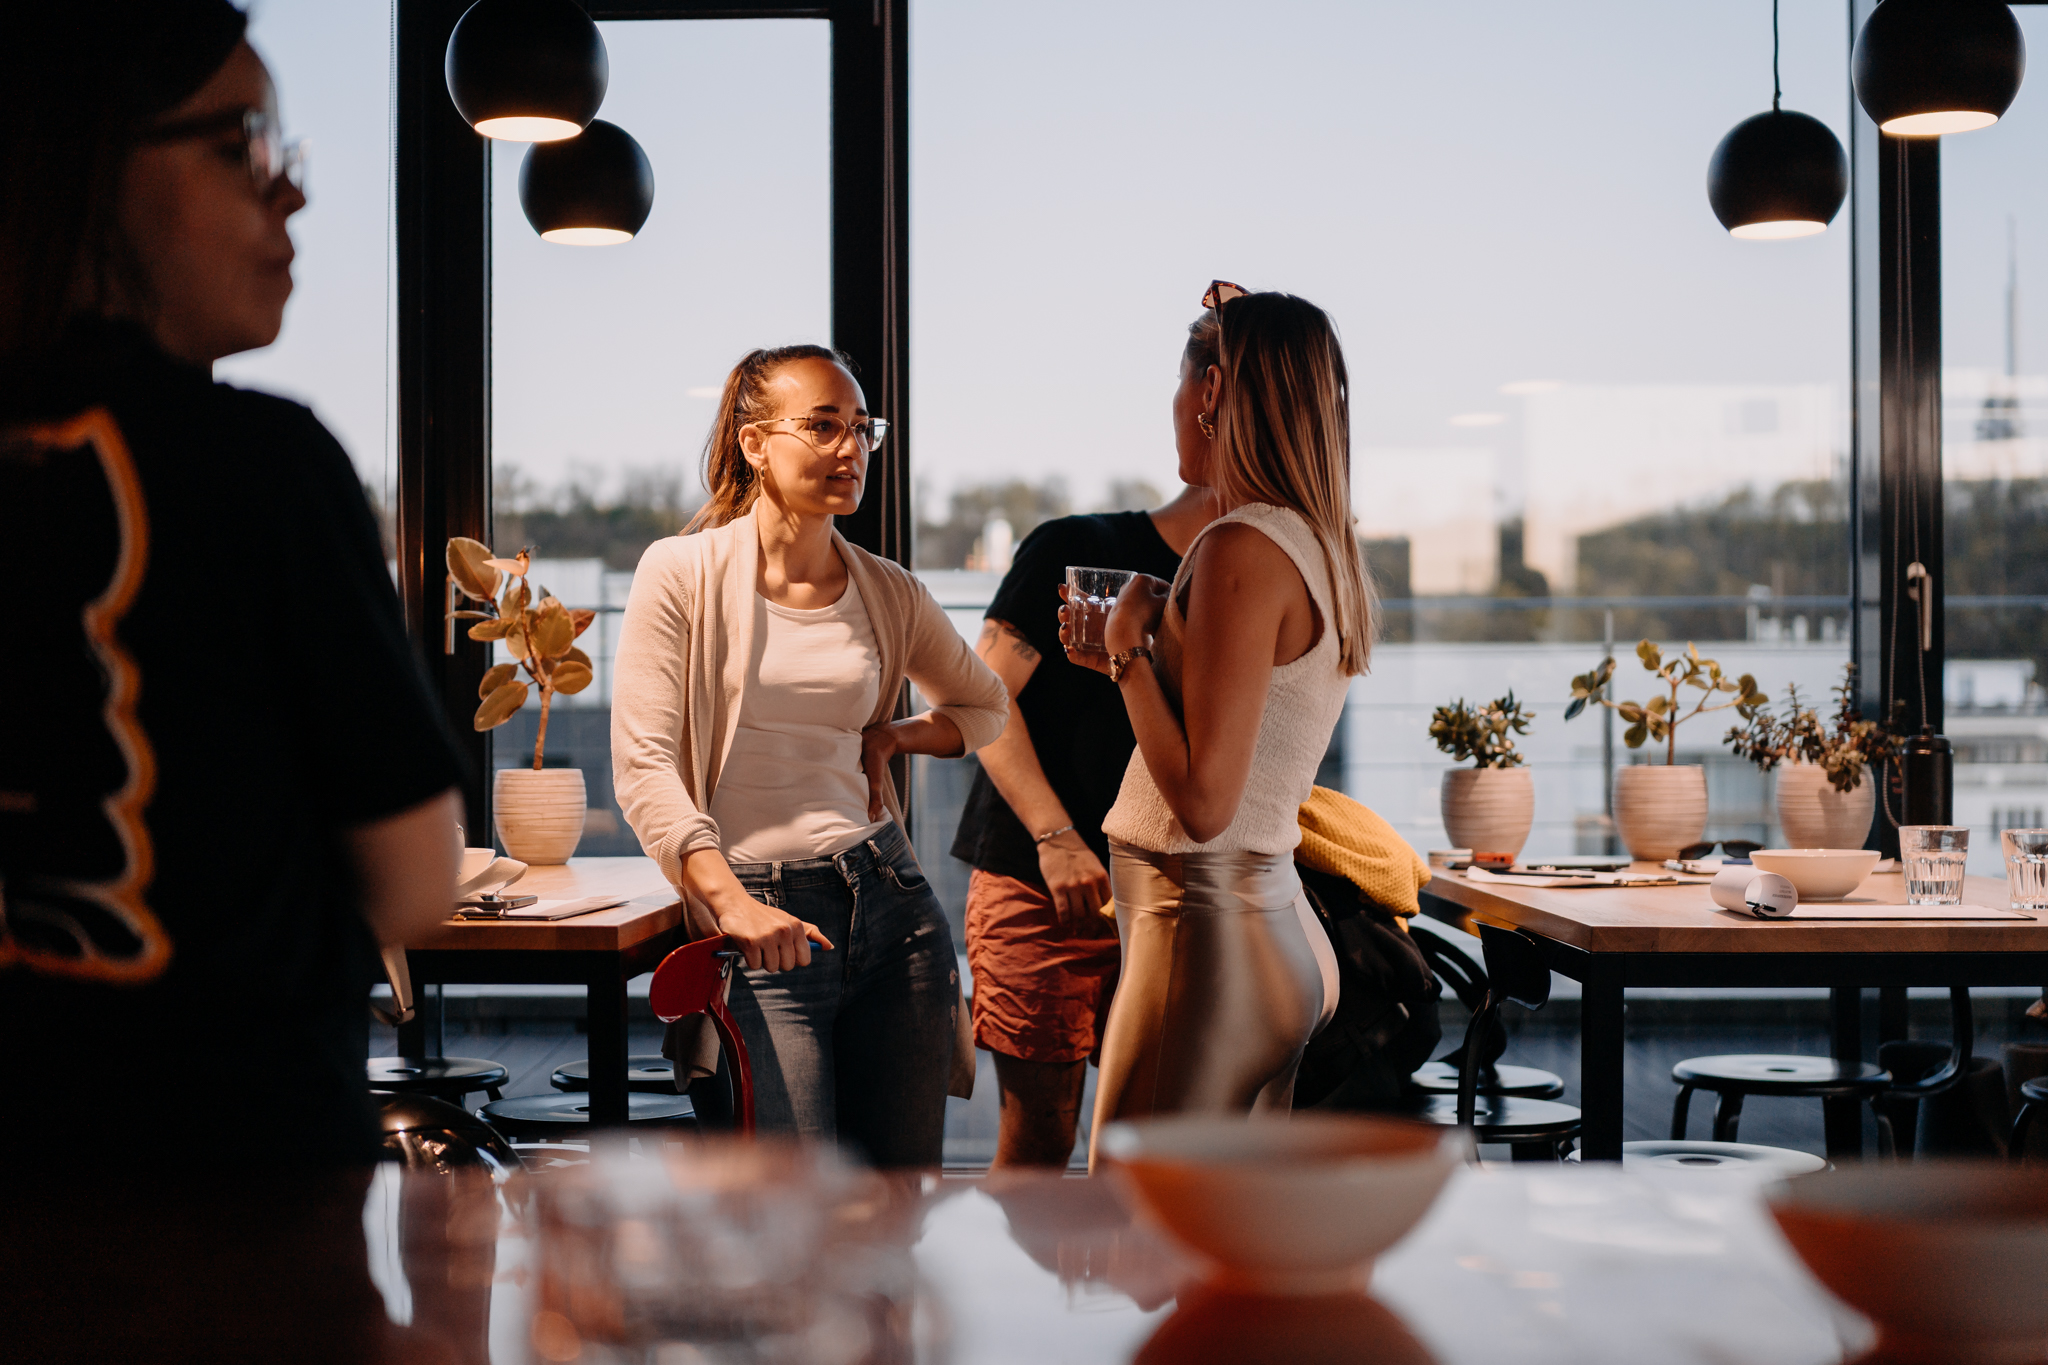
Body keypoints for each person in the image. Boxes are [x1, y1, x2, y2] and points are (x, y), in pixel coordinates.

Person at [0, 1, 465, 1170]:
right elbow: (415, 882)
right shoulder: (257, 463)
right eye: (242, 143)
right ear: (90, 164)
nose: (289, 194)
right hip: (229, 1183)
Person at [611, 345, 1008, 1166]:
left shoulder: (888, 589)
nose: (850, 449)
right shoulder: (679, 573)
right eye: (823, 426)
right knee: (788, 1220)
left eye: (862, 429)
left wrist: (895, 735)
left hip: (890, 903)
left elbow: (985, 704)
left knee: (893, 1215)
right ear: (755, 444)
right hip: (761, 918)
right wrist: (733, 906)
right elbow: (645, 765)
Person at [1066, 284, 1372, 1144]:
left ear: (1210, 393)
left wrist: (1130, 655)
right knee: (1213, 1246)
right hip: (1269, 928)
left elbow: (1203, 806)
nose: (1171, 409)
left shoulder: (1238, 548)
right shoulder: (1312, 540)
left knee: (1136, 1233)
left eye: (1180, 382)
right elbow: (1262, 708)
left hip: (1204, 936)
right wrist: (1165, 636)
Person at [953, 475, 1215, 1165]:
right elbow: (983, 701)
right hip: (1045, 887)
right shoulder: (1078, 545)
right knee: (1040, 1139)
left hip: (1171, 898)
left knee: (1150, 1154)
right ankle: (1028, 1278)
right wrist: (1056, 836)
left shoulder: (1245, 582)